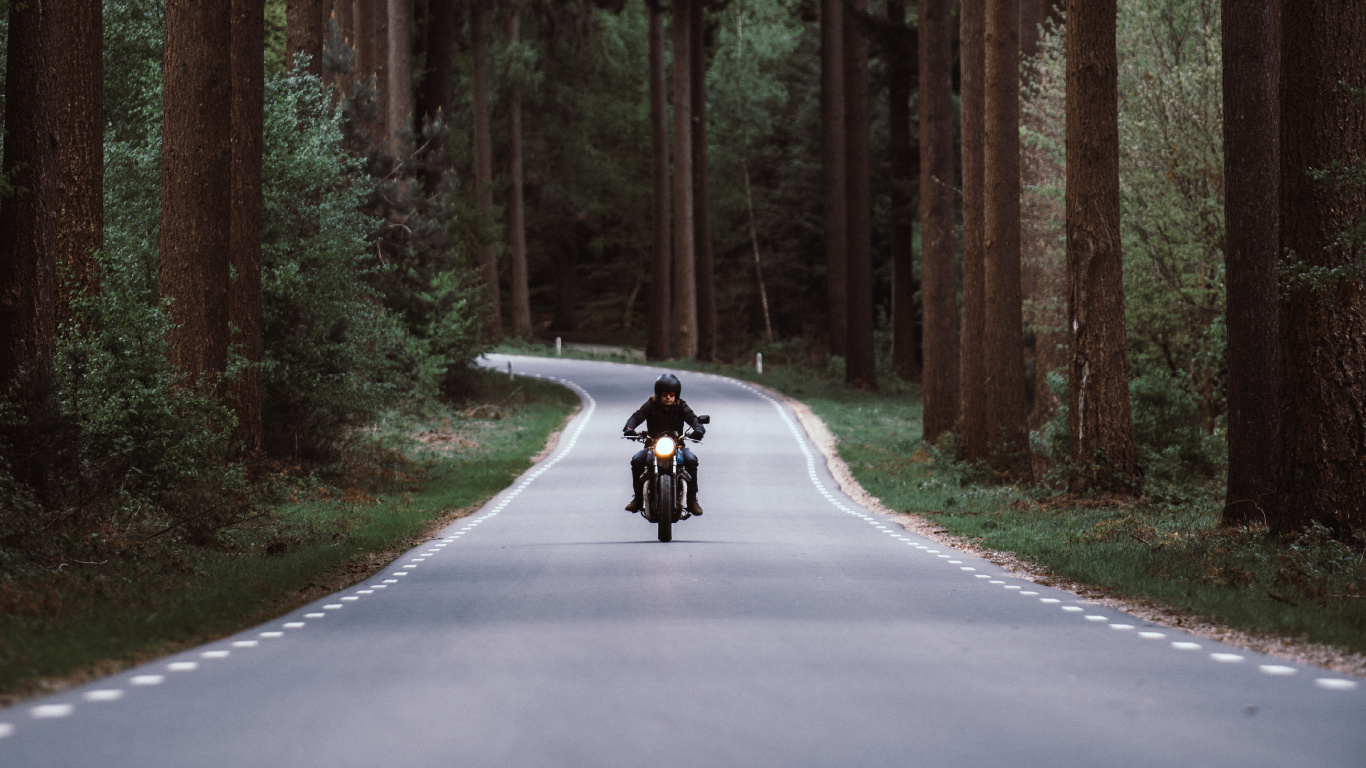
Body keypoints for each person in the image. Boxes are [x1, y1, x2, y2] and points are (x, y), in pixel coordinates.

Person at [623, 373, 705, 515]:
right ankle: (637, 498)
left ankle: (692, 500)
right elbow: (637, 416)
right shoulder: (651, 405)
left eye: (672, 394)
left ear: (676, 395)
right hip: (652, 446)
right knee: (637, 460)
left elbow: (693, 418)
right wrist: (629, 428)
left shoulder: (681, 406)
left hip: (677, 446)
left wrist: (698, 429)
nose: (668, 397)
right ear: (659, 394)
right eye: (665, 394)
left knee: (692, 460)